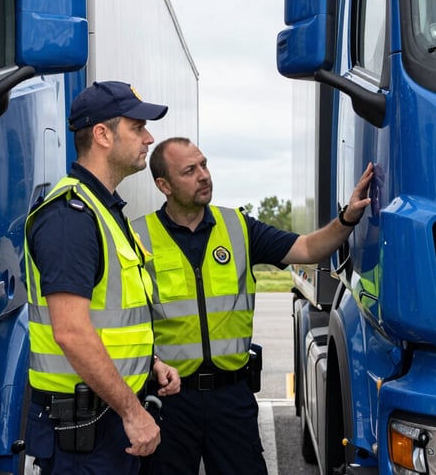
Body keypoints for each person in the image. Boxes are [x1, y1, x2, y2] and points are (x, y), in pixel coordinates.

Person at [131, 137, 373, 475]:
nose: (204, 175)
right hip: (170, 400)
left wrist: (347, 218)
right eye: (190, 170)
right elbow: (125, 322)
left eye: (204, 164)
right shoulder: (137, 239)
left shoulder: (238, 227)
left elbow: (307, 249)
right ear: (164, 185)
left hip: (231, 398)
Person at [23, 81, 181, 475]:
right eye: (137, 128)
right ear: (102, 135)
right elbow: (72, 332)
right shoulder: (70, 218)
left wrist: (149, 362)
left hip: (103, 418)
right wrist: (133, 412)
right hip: (86, 433)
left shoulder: (103, 209)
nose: (149, 138)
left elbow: (108, 319)